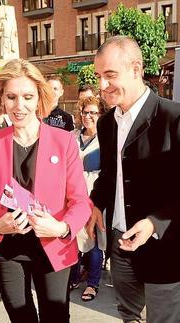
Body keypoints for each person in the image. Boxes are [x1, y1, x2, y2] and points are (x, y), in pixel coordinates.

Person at [87, 36, 180, 322]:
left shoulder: (177, 117)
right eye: (99, 77)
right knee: (129, 315)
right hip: (121, 246)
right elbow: (110, 174)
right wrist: (96, 203)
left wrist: (155, 222)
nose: (102, 86)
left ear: (136, 69)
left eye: (110, 75)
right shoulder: (107, 123)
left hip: (168, 249)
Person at [0, 59, 91, 322]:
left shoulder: (63, 142)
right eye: (11, 97)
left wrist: (61, 228)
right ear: (2, 100)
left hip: (53, 245)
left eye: (27, 96)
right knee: (21, 318)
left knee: (55, 317)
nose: (19, 105)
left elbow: (81, 201)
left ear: (39, 99)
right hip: (8, 250)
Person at [69, 95, 107, 302]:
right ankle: (74, 277)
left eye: (93, 112)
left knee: (93, 240)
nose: (88, 116)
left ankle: (92, 284)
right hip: (73, 198)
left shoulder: (107, 139)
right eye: (85, 112)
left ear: (101, 115)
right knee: (73, 239)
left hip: (95, 198)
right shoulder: (72, 135)